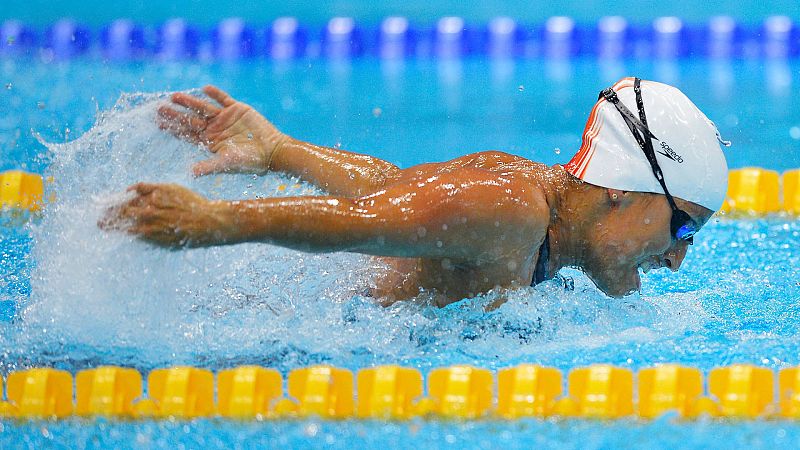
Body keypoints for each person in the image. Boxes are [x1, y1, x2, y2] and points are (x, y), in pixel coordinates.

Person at [100, 77, 728, 307]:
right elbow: (362, 221)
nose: (678, 256)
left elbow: (400, 194)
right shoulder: (513, 212)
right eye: (683, 228)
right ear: (624, 190)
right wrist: (217, 222)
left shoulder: (526, 196)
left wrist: (281, 152)